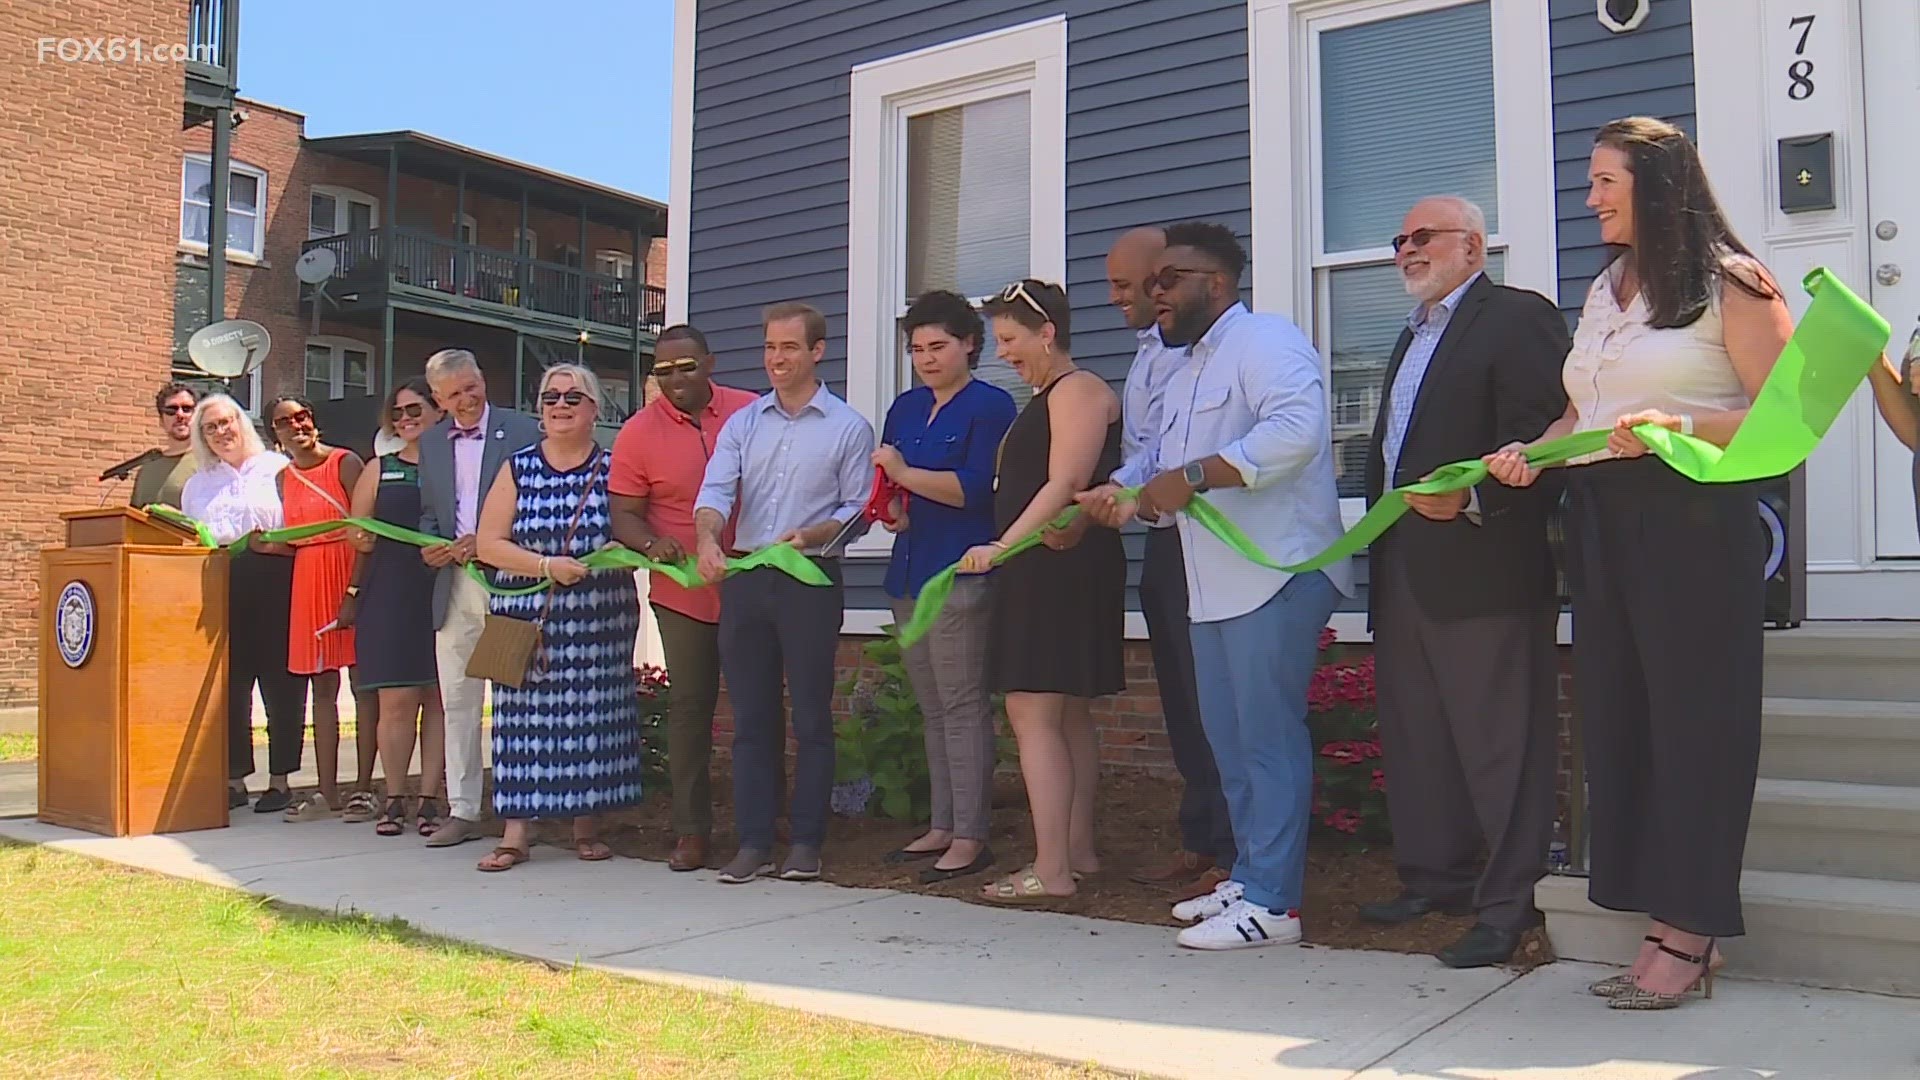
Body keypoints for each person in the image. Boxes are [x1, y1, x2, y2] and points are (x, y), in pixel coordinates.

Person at [1484, 116, 1796, 1010]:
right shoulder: (1607, 288)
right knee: (1628, 727)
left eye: (1604, 183)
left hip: (1694, 520)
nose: (1589, 199)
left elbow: (1782, 428)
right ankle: (1664, 917)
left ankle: (1689, 935)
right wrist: (1527, 456)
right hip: (1604, 521)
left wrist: (1678, 429)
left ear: (1657, 186)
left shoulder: (1734, 285)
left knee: (1698, 728)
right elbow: (1583, 417)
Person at [1079, 222, 1356, 950]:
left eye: (1169, 280)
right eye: (1153, 282)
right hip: (1212, 582)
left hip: (1277, 572)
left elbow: (1297, 431)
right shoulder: (1191, 364)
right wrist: (1114, 492)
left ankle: (1276, 904)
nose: (1154, 293)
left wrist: (1199, 475)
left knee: (1267, 739)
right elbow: (1162, 459)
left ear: (1218, 284)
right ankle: (1248, 873)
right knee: (1228, 741)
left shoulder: (1265, 341)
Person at [1353, 196, 1572, 968]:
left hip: (1486, 568)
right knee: (1418, 738)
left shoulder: (1517, 319)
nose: (1406, 250)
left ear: (1472, 247)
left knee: (1498, 746)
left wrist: (1476, 498)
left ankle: (1510, 904)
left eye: (1423, 237)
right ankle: (1434, 877)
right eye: (1399, 238)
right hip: (1406, 565)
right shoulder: (1409, 337)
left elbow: (1549, 444)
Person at [956, 278, 1126, 905]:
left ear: (1047, 332)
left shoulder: (1077, 390)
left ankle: (1050, 868)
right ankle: (1076, 852)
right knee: (1064, 712)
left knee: (1032, 711)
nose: (1003, 352)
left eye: (1010, 339)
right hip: (1044, 564)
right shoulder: (1047, 395)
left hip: (1058, 567)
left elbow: (1066, 481)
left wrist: (1004, 546)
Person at [694, 301, 877, 884]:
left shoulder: (848, 427)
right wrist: (707, 540)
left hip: (811, 578)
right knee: (750, 715)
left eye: (789, 348)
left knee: (811, 715)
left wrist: (819, 531)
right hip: (748, 575)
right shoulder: (744, 423)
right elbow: (716, 491)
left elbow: (859, 512)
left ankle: (805, 842)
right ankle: (752, 842)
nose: (776, 358)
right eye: (770, 347)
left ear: (817, 352)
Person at [1103, 226, 1237, 902]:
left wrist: (1127, 487)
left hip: (1205, 538)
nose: (1121, 298)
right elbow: (1148, 447)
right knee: (1182, 700)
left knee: (1212, 697)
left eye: (1129, 284)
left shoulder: (1202, 352)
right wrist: (1120, 488)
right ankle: (1201, 836)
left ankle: (1234, 850)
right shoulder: (1150, 354)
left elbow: (1182, 451)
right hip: (1161, 537)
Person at [473, 364, 645, 871]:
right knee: (521, 724)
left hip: (598, 620)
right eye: (551, 397)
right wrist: (547, 565)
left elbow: (640, 532)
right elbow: (489, 544)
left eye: (574, 397)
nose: (561, 405)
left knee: (593, 719)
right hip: (528, 617)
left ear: (595, 409)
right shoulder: (518, 467)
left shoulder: (617, 469)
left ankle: (586, 827)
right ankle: (515, 834)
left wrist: (619, 550)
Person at [873, 290, 1018, 884]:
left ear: (969, 345)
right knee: (932, 706)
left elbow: (978, 490)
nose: (927, 359)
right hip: (909, 563)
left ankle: (971, 835)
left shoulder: (991, 406)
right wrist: (896, 505)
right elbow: (897, 490)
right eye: (917, 349)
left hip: (961, 569)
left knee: (962, 704)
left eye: (938, 346)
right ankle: (940, 823)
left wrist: (906, 474)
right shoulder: (905, 409)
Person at [608, 325, 759, 872]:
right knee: (690, 710)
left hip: (753, 584)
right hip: (682, 592)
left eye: (687, 367)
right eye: (662, 371)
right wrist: (652, 542)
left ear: (710, 363)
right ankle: (692, 831)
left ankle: (757, 830)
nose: (674, 380)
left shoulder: (750, 411)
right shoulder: (637, 433)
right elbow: (622, 512)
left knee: (756, 709)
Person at [415, 349, 543, 848]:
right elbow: (431, 511)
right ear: (439, 400)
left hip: (509, 583)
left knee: (516, 698)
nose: (467, 400)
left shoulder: (523, 430)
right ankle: (463, 809)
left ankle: (522, 811)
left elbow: (535, 504)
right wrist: (430, 543)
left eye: (472, 387)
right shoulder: (429, 442)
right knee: (458, 699)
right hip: (454, 586)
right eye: (455, 394)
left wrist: (490, 540)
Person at [180, 394, 307, 813]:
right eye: (210, 427)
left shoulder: (278, 469)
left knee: (281, 684)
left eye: (226, 422)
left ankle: (281, 780)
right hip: (222, 588)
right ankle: (234, 778)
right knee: (231, 687)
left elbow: (304, 528)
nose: (221, 432)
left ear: (243, 422)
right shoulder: (198, 484)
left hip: (277, 582)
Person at [339, 377, 449, 837]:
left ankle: (430, 798)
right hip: (390, 590)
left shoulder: (455, 465)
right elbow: (356, 530)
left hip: (446, 587)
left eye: (415, 409)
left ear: (438, 410)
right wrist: (360, 537)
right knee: (396, 701)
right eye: (398, 412)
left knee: (441, 700)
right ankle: (395, 797)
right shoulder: (380, 468)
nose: (406, 419)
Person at [267, 396, 371, 823]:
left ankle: (364, 788)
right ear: (274, 432)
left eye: (301, 417)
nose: (296, 427)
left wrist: (354, 590)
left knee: (363, 685)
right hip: (309, 577)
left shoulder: (346, 463)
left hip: (348, 571)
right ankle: (326, 790)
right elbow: (292, 537)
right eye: (284, 423)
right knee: (321, 688)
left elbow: (366, 529)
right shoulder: (282, 478)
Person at [132, 382, 201, 509]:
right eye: (171, 410)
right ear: (161, 420)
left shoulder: (210, 463)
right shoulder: (147, 469)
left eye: (187, 409)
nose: (180, 415)